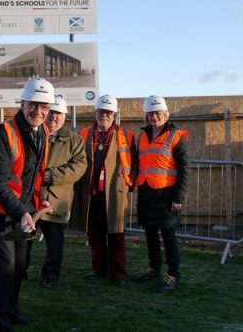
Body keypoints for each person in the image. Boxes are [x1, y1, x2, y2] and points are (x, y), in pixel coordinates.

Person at [0, 77, 55, 332]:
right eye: (34, 105)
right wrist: (21, 212)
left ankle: (12, 308)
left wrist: (36, 200)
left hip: (22, 211)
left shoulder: (42, 132)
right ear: (23, 102)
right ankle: (2, 322)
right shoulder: (1, 134)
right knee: (5, 267)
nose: (38, 112)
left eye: (44, 107)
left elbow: (31, 175)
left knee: (20, 266)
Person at [71, 94, 138, 287]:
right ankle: (98, 269)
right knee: (95, 234)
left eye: (108, 112)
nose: (104, 116)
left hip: (114, 193)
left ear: (114, 115)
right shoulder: (84, 134)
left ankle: (118, 273)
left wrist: (128, 183)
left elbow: (135, 163)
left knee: (116, 234)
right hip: (92, 193)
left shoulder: (126, 136)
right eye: (101, 112)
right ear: (95, 113)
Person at [134, 95, 189, 292]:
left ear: (165, 114)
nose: (154, 117)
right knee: (149, 233)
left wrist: (178, 198)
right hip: (146, 192)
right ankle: (154, 268)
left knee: (168, 236)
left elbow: (184, 169)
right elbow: (135, 163)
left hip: (166, 195)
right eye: (150, 113)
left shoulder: (176, 136)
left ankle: (173, 274)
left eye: (157, 113)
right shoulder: (141, 136)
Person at [37, 98, 87, 289]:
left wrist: (53, 175)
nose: (53, 117)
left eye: (58, 114)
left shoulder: (74, 140)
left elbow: (80, 166)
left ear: (64, 116)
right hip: (32, 198)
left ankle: (51, 275)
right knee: (26, 238)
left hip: (56, 200)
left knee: (54, 243)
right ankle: (20, 271)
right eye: (51, 112)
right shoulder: (35, 134)